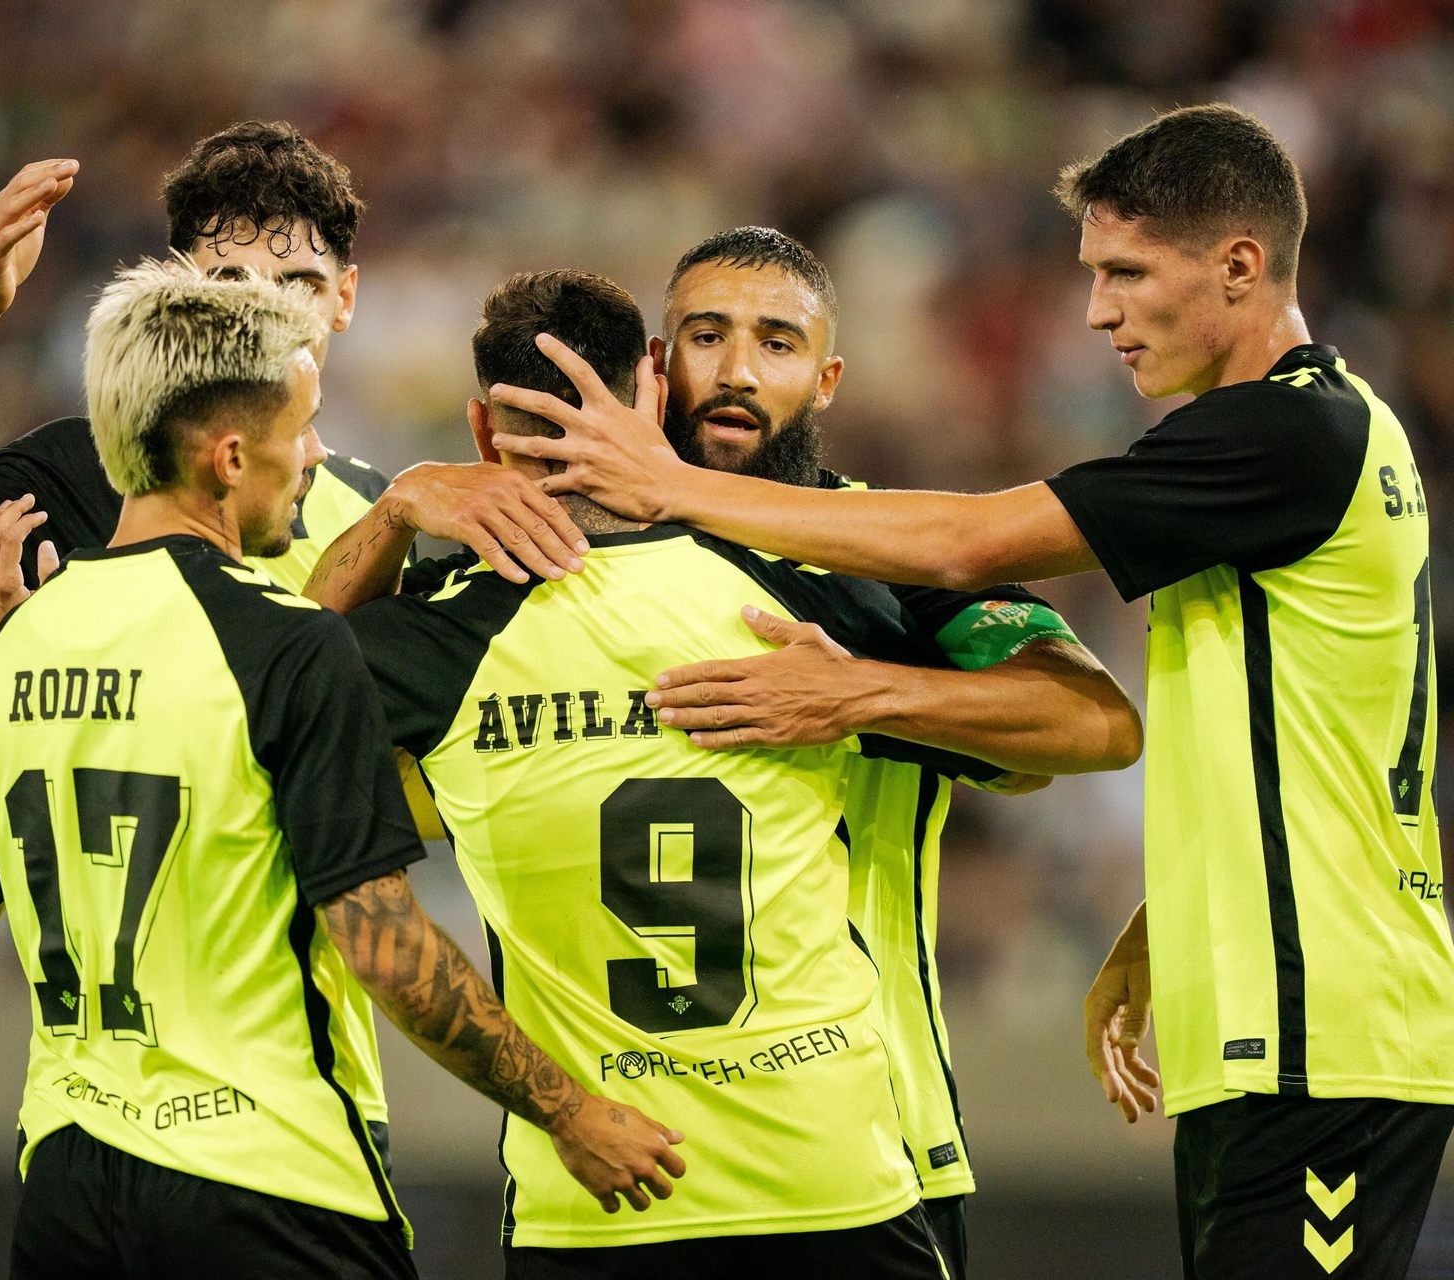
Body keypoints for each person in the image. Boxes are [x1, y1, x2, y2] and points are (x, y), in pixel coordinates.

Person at [485, 105, 1454, 1280]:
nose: (1096, 310)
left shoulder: (1279, 436)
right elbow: (1310, 733)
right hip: (1285, 1006)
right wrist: (1179, 915)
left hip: (1297, 1035)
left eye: (1124, 272)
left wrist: (852, 685)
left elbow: (984, 566)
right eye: (703, 334)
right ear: (655, 361)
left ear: (1239, 265)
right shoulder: (1306, 436)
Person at [0, 260, 682, 1278]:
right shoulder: (287, 643)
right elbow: (385, 946)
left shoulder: (17, 642)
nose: (314, 456)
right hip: (270, 1181)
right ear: (229, 457)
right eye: (301, 426)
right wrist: (569, 1110)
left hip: (67, 1182)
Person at [322, 268, 1043, 1279]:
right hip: (832, 1176)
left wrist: (396, 510)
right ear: (653, 390)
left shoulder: (435, 630)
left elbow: (257, 713)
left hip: (593, 1198)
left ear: (483, 436)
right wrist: (870, 694)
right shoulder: (803, 582)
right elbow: (1062, 728)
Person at [0, 120, 586, 625]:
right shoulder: (98, 465)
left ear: (346, 299)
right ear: (176, 291)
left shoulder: (371, 504)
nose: (265, 308)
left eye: (297, 281)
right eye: (230, 279)